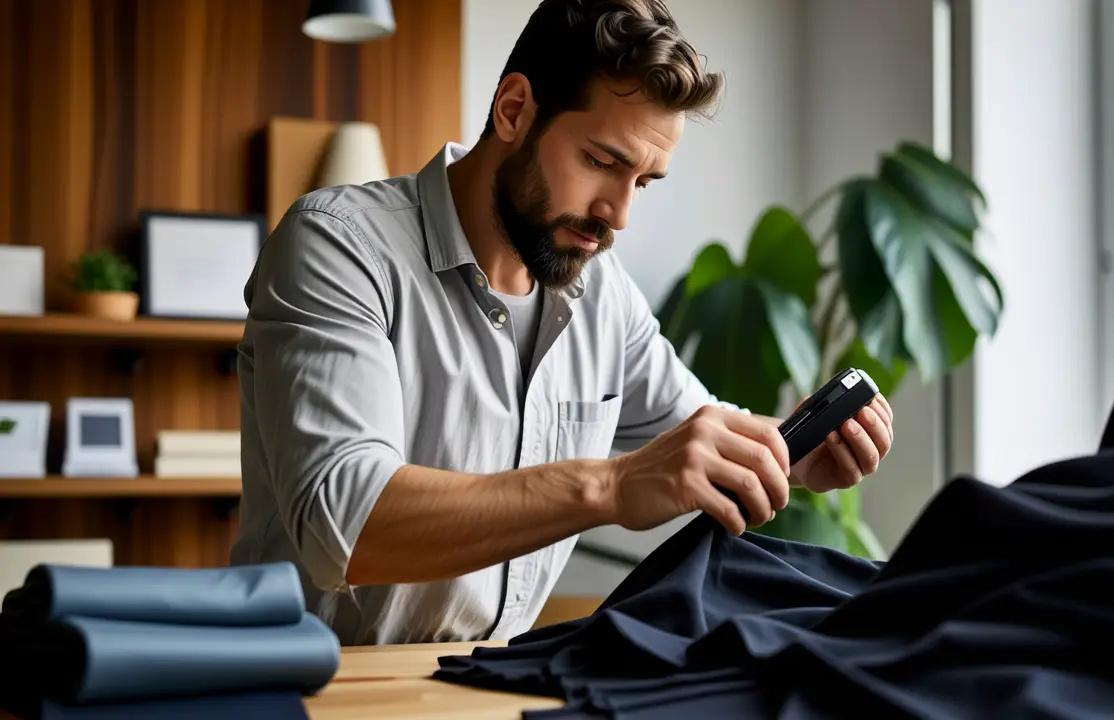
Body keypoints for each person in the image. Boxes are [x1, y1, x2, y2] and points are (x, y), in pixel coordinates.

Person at [231, 0, 895, 646]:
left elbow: (699, 437)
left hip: (485, 688)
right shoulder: (337, 247)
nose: (619, 213)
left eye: (645, 181)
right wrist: (608, 485)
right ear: (514, 110)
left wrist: (794, 454)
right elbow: (343, 525)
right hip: (316, 688)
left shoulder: (602, 295)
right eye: (602, 163)